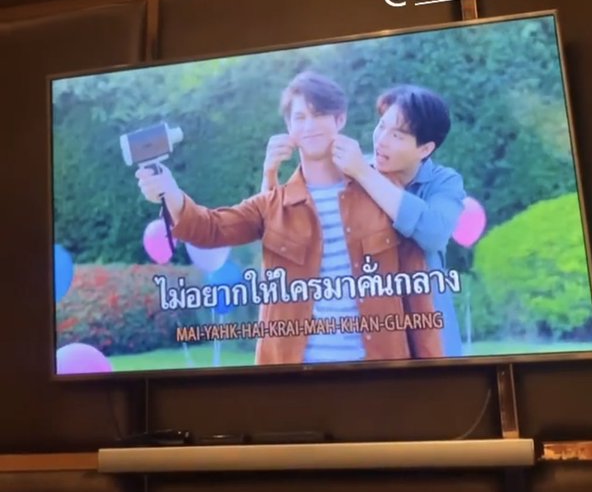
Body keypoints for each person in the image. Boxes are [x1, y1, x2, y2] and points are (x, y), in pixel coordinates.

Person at [137, 72, 444, 367]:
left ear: (339, 119)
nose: (310, 126)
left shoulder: (384, 192)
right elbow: (210, 228)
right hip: (296, 380)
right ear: (289, 127)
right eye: (300, 117)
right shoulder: (272, 205)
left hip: (376, 378)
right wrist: (170, 191)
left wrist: (432, 374)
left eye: (319, 114)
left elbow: (418, 297)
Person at [328, 85, 466, 357]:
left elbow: (434, 233)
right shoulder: (350, 176)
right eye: (381, 126)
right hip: (366, 335)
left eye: (397, 135)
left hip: (430, 337)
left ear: (425, 148)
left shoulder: (444, 182)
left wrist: (364, 174)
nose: (381, 140)